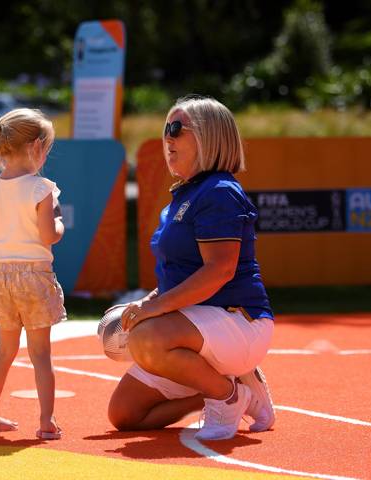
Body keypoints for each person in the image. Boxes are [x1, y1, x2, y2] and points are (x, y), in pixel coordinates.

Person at [108, 96, 275, 441]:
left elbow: (220, 271)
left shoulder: (219, 192)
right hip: (198, 326)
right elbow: (178, 277)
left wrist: (152, 310)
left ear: (210, 137)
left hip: (238, 320)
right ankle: (229, 387)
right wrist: (144, 305)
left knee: (147, 339)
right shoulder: (185, 194)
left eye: (176, 129)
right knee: (125, 414)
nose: (167, 138)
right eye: (165, 130)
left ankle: (226, 397)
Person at [0, 108, 67, 440]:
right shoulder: (42, 189)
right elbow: (48, 236)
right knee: (40, 353)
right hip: (34, 275)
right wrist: (59, 223)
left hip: (0, 276)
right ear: (37, 147)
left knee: (4, 350)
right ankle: (46, 421)